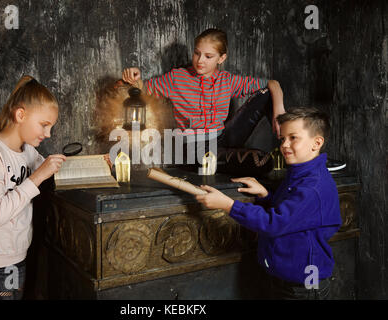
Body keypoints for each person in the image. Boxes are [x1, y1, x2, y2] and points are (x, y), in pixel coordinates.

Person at [195, 107, 342, 299]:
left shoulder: (313, 186)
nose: (284, 144)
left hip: (303, 285)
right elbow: (293, 216)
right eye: (282, 139)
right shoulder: (299, 173)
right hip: (284, 278)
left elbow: (274, 223)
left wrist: (228, 205)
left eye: (293, 138)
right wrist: (265, 195)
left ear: (317, 143)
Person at [0, 75, 66, 300]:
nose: (48, 134)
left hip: (16, 259)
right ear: (21, 115)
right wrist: (37, 177)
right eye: (44, 125)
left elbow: (54, 171)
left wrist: (98, 162)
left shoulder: (27, 151)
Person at [122, 28, 285, 161]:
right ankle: (244, 159)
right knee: (257, 162)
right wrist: (134, 76)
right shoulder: (177, 78)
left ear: (221, 58)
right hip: (193, 146)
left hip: (223, 139)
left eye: (208, 56)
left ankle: (283, 148)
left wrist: (279, 112)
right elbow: (140, 89)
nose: (200, 60)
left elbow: (272, 84)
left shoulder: (227, 80)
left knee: (267, 94)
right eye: (197, 53)